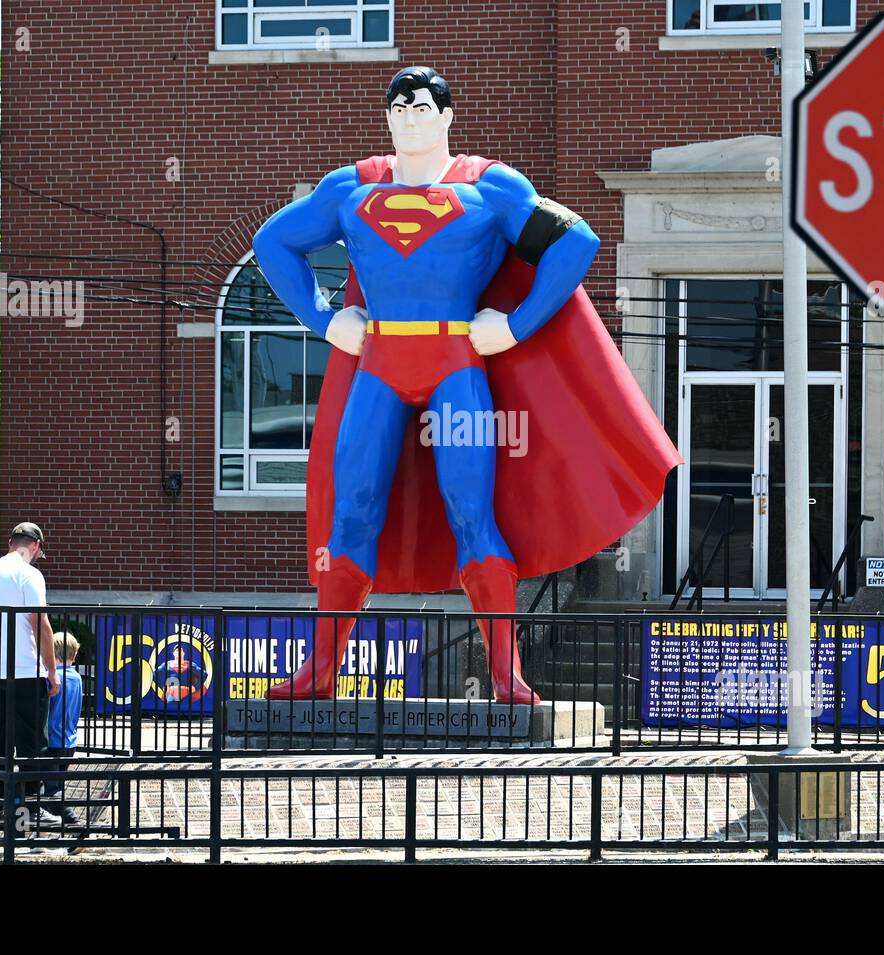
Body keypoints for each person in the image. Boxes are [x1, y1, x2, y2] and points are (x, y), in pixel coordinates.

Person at [253, 66, 678, 704]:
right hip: (379, 364)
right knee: (353, 512)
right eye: (399, 106)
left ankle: (506, 674)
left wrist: (514, 327)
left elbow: (575, 242)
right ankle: (320, 672)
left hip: (457, 366)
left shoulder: (490, 187)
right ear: (388, 117)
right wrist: (322, 319)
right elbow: (272, 242)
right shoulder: (350, 188)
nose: (411, 116)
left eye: (424, 105)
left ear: (448, 116)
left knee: (472, 514)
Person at [0, 522, 61, 827]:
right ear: (34, 546)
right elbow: (41, 624)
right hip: (26, 672)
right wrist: (52, 671)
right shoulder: (29, 574)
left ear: (12, 542)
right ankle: (29, 814)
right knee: (32, 743)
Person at [41, 631, 84, 826]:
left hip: (52, 741)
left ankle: (74, 824)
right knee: (54, 786)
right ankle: (44, 836)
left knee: (50, 790)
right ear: (74, 656)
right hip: (69, 742)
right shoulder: (77, 678)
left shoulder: (52, 679)